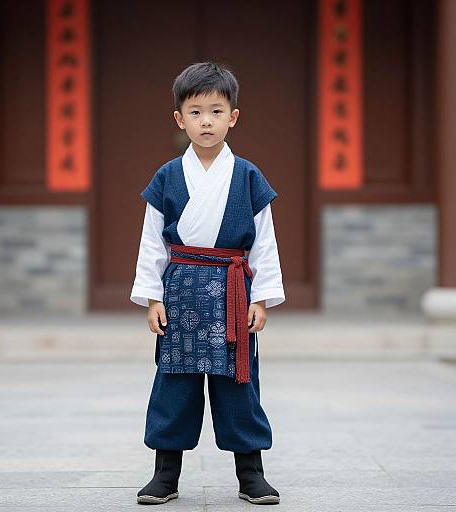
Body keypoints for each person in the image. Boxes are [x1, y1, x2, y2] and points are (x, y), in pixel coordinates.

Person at [130, 62, 285, 505]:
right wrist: (152, 296)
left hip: (233, 291)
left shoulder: (249, 176)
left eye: (217, 112)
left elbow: (265, 244)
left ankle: (251, 474)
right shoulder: (167, 177)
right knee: (174, 381)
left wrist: (263, 300)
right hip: (180, 290)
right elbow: (151, 242)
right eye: (196, 112)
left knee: (238, 383)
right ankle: (165, 474)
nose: (207, 121)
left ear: (233, 117)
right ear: (180, 119)